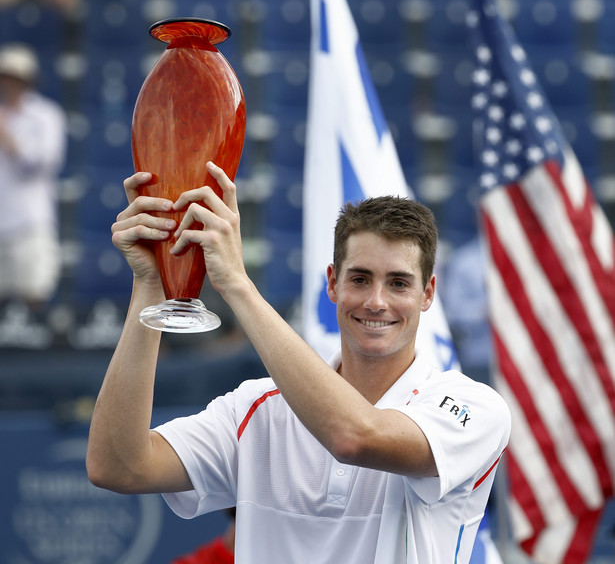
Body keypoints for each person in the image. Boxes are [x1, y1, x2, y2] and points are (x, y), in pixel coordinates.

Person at [86, 162, 511, 564]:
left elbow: (355, 437)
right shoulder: (255, 407)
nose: (376, 301)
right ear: (332, 283)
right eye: (360, 278)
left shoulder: (473, 406)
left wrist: (237, 284)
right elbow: (117, 466)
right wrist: (151, 285)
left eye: (398, 283)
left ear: (428, 294)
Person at [0, 42, 66, 313]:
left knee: (35, 295)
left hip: (30, 220)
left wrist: (7, 137)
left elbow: (43, 162)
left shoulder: (46, 115)